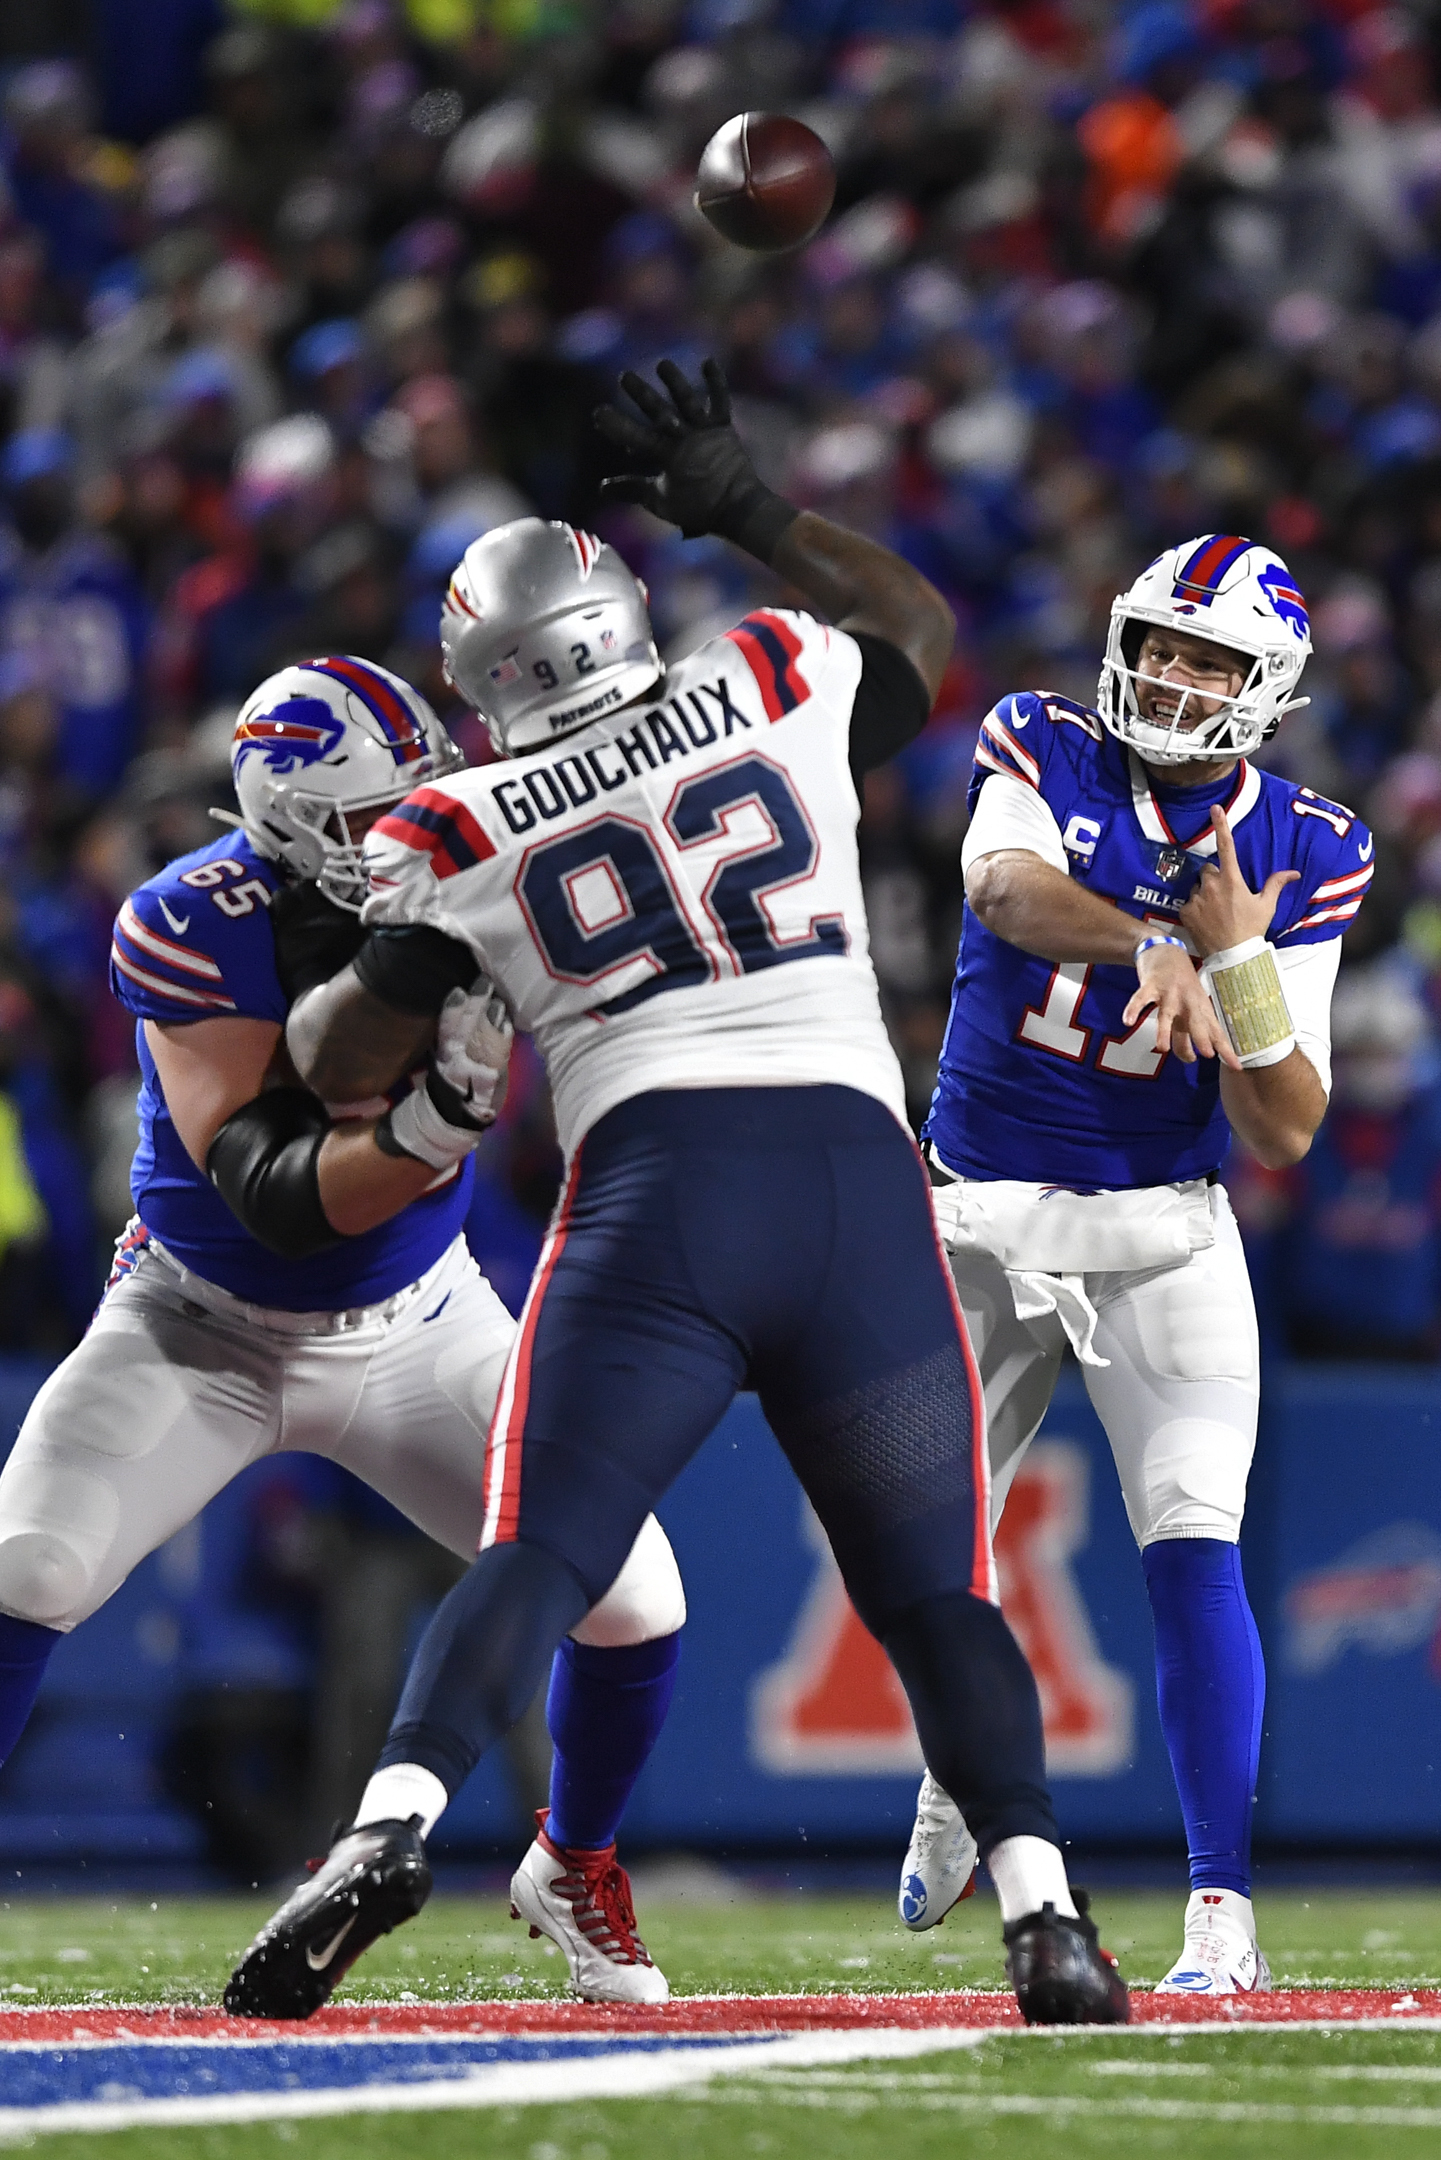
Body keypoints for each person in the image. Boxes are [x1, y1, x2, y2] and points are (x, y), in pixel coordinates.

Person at [225, 360, 1129, 2029]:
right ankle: (1044, 1912)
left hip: (659, 1196)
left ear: (483, 675)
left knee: (541, 1553)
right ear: (621, 609)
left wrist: (352, 973)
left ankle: (388, 1826)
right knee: (935, 1592)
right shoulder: (769, 668)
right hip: (855, 1186)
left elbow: (348, 1061)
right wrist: (738, 499)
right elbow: (915, 627)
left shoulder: (453, 821)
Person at [0, 653, 687, 2006]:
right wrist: (435, 1126)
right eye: (375, 816)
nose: (409, 835)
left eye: (420, 797)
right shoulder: (191, 920)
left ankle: (577, 1864)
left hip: (421, 1325)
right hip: (203, 1324)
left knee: (634, 1597)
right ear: (293, 826)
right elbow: (272, 1199)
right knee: (29, 1570)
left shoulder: (480, 872)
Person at [898, 536, 1372, 1994]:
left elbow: (1283, 1126)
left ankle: (1220, 1918)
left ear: (1261, 689)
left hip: (1161, 1229)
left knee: (1191, 1551)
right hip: (974, 1215)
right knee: (916, 1552)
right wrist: (1158, 934)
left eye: (1205, 658)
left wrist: (1230, 962)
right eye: (1157, 643)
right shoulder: (1042, 737)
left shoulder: (1310, 846)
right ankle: (953, 1787)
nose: (1168, 674)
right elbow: (1001, 893)